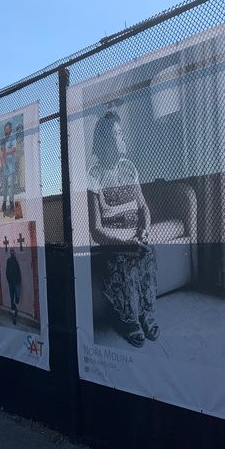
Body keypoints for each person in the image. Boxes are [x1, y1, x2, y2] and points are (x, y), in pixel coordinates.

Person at [87, 110, 158, 348]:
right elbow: (95, 229)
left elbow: (143, 208)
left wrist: (144, 230)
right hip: (114, 243)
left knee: (148, 253)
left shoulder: (129, 167)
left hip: (136, 237)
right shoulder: (93, 176)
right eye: (117, 133)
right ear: (106, 140)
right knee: (122, 260)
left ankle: (145, 313)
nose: (122, 138)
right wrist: (124, 243)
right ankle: (129, 320)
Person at [0, 121, 17, 217]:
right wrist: (1, 160)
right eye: (5, 129)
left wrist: (6, 153)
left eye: (8, 128)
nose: (6, 130)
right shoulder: (2, 140)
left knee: (10, 187)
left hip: (10, 166)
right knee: (4, 188)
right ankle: (4, 205)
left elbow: (14, 149)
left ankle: (12, 207)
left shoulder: (13, 137)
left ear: (10, 129)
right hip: (4, 166)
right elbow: (1, 152)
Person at [6, 249, 22, 325]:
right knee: (11, 297)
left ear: (14, 253)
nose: (12, 253)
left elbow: (18, 271)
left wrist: (18, 280)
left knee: (17, 295)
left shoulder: (16, 261)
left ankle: (15, 304)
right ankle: (14, 315)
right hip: (10, 282)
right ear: (10, 253)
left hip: (16, 281)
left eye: (13, 252)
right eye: (11, 252)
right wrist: (9, 279)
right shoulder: (8, 260)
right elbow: (7, 271)